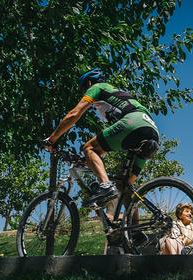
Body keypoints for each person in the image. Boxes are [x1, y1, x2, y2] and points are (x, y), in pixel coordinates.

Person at [44, 68, 160, 206]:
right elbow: (104, 148)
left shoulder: (97, 87)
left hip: (133, 122)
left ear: (88, 83)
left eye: (83, 89)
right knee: (125, 187)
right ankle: (134, 226)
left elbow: (74, 115)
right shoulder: (117, 94)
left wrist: (52, 139)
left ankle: (105, 185)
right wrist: (87, 159)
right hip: (152, 130)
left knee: (88, 147)